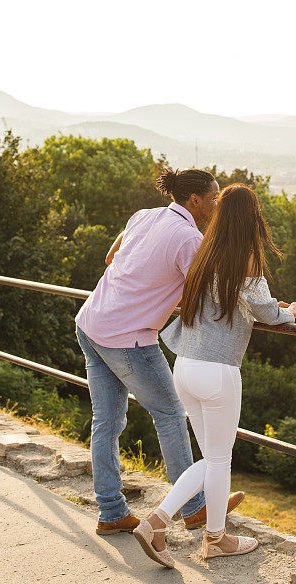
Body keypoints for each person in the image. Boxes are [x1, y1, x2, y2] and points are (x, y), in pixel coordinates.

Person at [132, 183, 296, 567]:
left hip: (185, 365)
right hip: (219, 371)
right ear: (252, 216)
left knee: (211, 457)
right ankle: (203, 535)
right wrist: (292, 310)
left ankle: (169, 526)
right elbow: (266, 312)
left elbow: (236, 302)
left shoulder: (203, 253)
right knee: (219, 458)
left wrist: (263, 304)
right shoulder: (245, 258)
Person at [75, 168, 243, 536]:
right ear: (195, 201)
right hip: (127, 339)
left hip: (90, 323)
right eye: (215, 198)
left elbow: (110, 257)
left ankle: (111, 511)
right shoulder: (189, 239)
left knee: (106, 423)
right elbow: (209, 297)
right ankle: (196, 508)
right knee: (169, 414)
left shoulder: (145, 215)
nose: (218, 205)